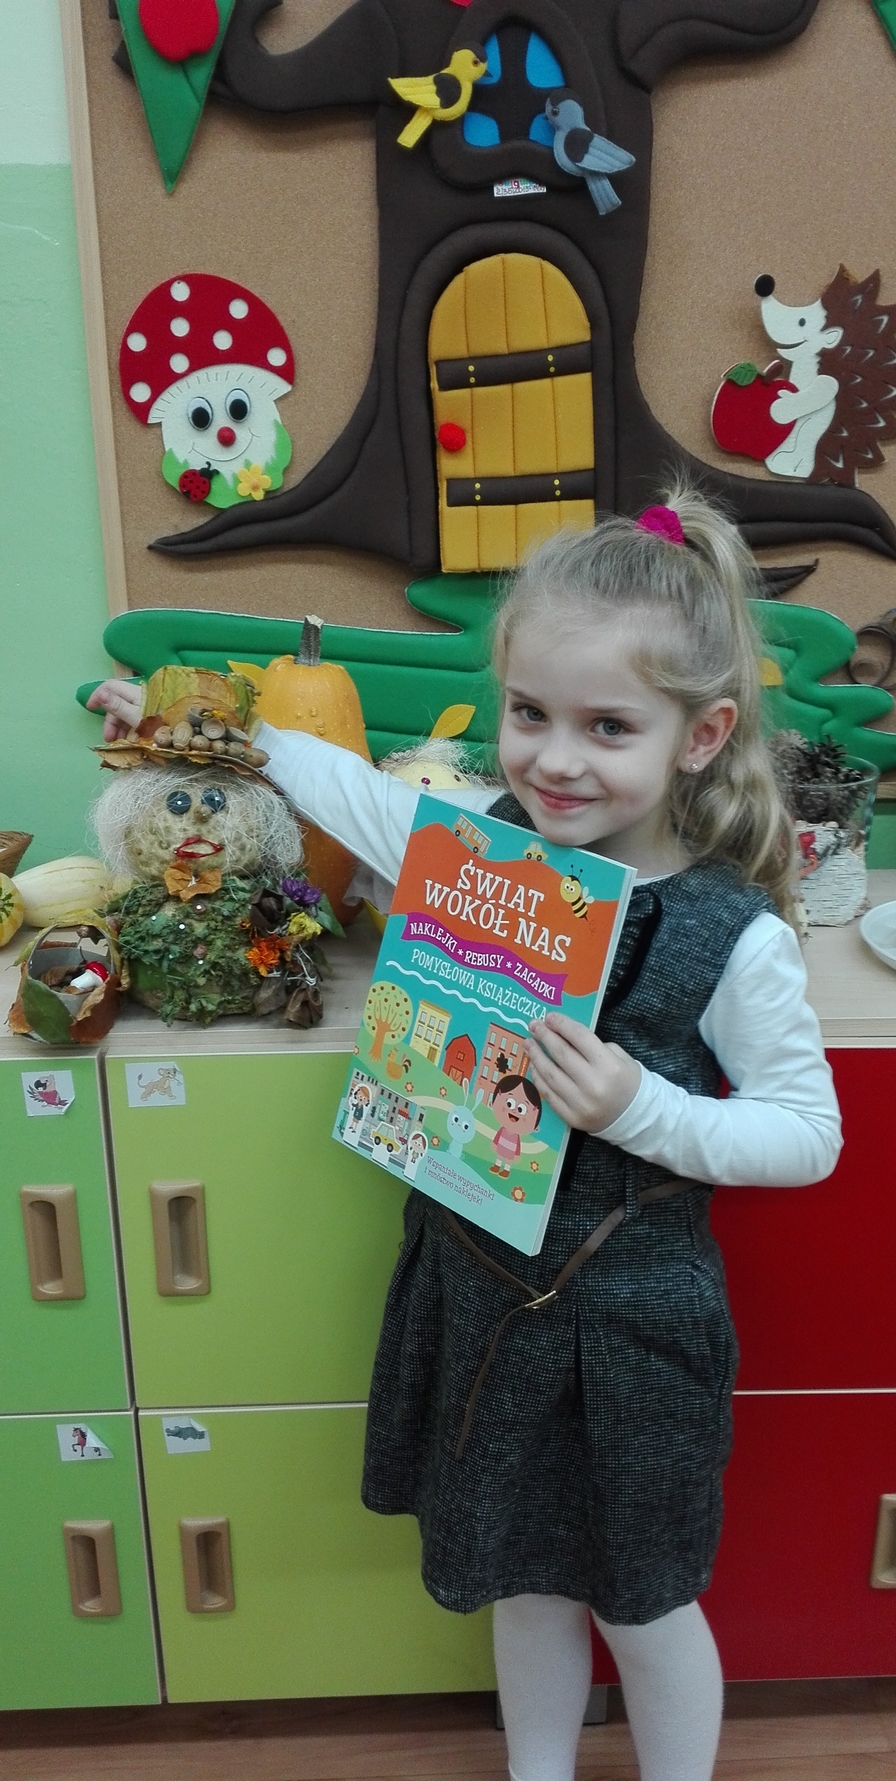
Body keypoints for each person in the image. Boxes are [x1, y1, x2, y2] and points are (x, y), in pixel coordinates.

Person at [89, 485, 841, 1781]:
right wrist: (203, 730)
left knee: (644, 1602)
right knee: (520, 1575)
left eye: (610, 726)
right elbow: (339, 782)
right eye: (530, 713)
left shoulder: (740, 935)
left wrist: (642, 1107)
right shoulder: (473, 849)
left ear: (703, 734)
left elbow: (807, 1133)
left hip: (632, 1329)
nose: (555, 759)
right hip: (483, 1295)